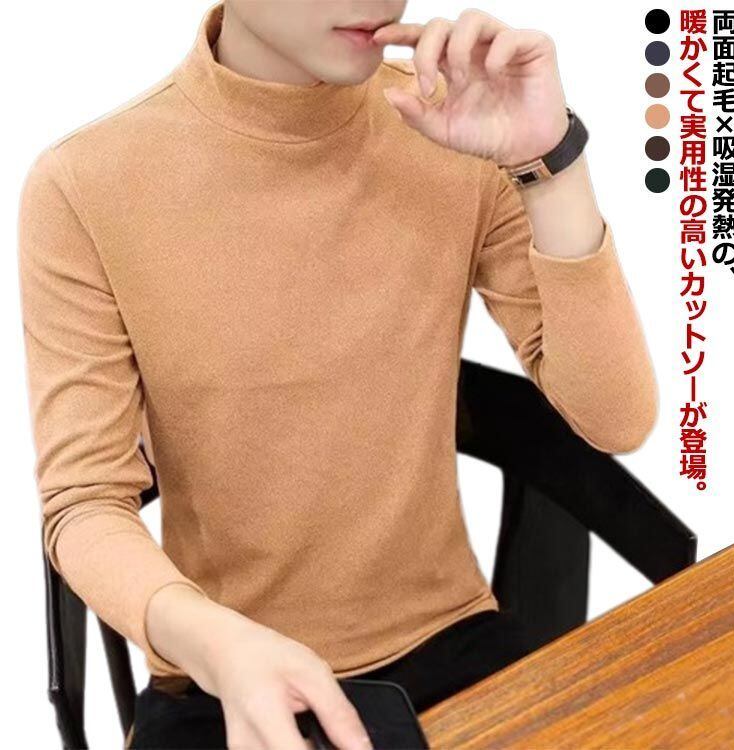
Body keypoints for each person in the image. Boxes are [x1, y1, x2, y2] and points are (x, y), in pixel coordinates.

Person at [17, 1, 658, 748]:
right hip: (219, 673)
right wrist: (214, 643)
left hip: (450, 644)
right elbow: (86, 501)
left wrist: (549, 164)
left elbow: (616, 417)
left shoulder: (450, 124)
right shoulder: (86, 185)